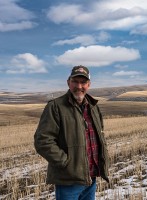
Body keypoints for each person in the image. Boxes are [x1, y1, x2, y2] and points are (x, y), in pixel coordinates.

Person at [34, 65, 109, 200]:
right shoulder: (55, 107)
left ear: (89, 85)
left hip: (91, 177)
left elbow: (99, 135)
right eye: (75, 81)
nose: (79, 86)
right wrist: (66, 163)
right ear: (68, 82)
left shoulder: (93, 107)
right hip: (68, 180)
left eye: (83, 82)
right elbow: (42, 141)